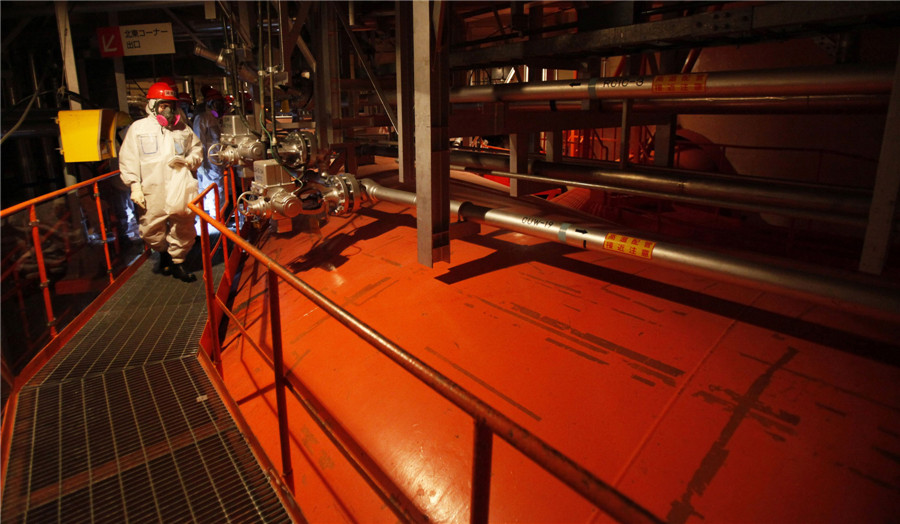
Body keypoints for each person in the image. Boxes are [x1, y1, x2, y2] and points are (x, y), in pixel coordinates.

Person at [119, 82, 203, 282]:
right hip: (151, 188)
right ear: (152, 105)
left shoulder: (183, 129)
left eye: (170, 105)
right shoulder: (138, 129)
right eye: (163, 105)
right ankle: (163, 253)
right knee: (150, 228)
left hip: (179, 187)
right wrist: (134, 185)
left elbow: (197, 150)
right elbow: (129, 158)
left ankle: (177, 262)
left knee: (184, 223)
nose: (167, 110)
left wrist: (188, 161)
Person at [193, 89, 226, 223]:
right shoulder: (202, 119)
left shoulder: (216, 119)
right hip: (208, 162)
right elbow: (198, 141)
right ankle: (216, 219)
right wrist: (201, 164)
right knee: (212, 189)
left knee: (218, 188)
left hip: (217, 161)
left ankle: (219, 216)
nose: (219, 106)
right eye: (216, 103)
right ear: (210, 103)